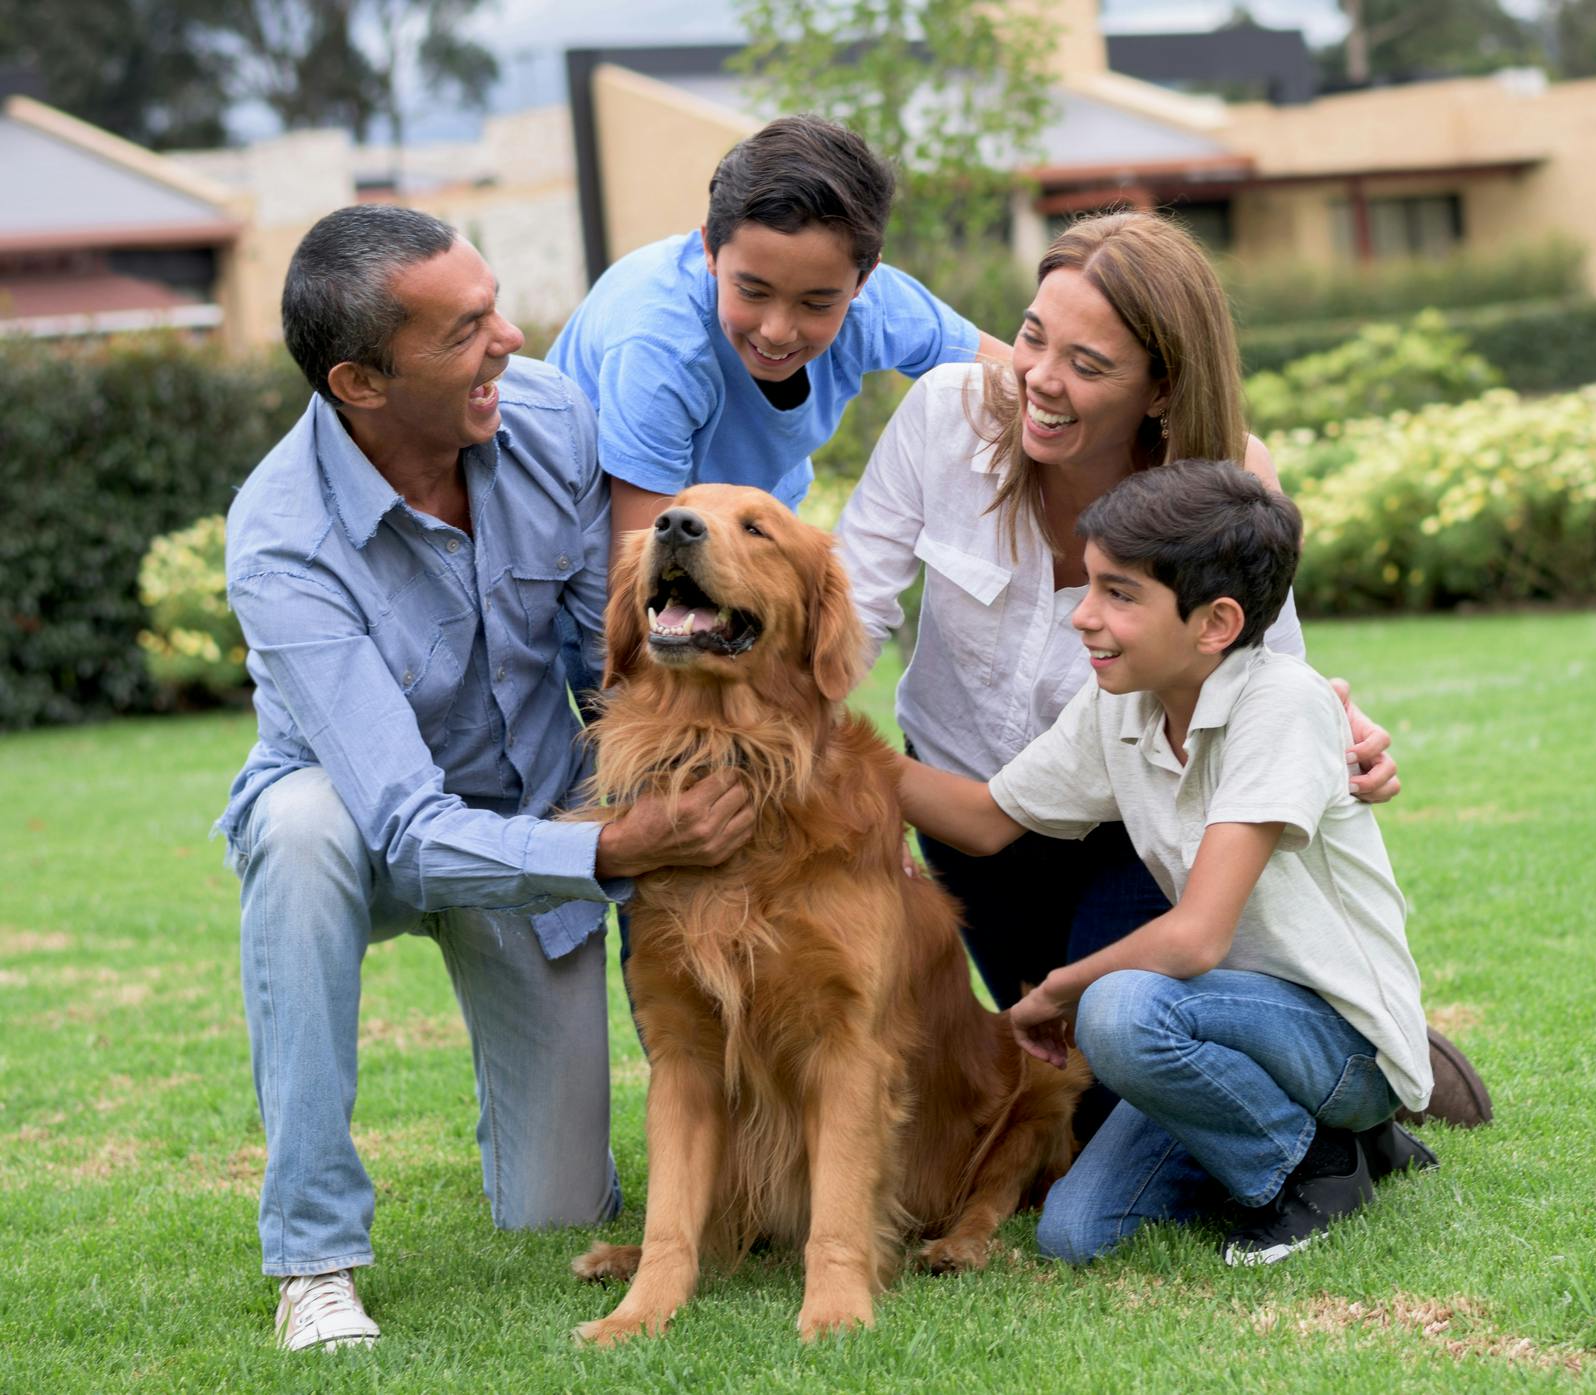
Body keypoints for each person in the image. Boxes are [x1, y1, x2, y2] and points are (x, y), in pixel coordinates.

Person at [832, 212, 1493, 1138]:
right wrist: (815, 752)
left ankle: (1352, 1052)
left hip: (1130, 824)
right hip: (967, 807)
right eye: (1031, 335)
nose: (1040, 380)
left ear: (1160, 387)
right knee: (1052, 1088)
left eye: (1088, 364)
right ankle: (1303, 1044)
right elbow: (846, 608)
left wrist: (1338, 735)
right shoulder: (947, 418)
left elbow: (1261, 668)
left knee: (1108, 1077)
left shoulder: (1222, 476)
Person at [218, 205, 752, 1352]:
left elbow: (608, 661)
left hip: (535, 827)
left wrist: (721, 774)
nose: (510, 337)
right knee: (303, 830)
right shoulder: (283, 540)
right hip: (370, 832)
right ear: (361, 381)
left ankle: (523, 1136)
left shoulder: (548, 416)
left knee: (557, 1207)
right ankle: (314, 1261)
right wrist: (619, 848)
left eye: (495, 303)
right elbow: (405, 826)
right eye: (466, 330)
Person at [896, 461, 1437, 1266]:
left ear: (1214, 623)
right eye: (1087, 586)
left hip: (1340, 1039)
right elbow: (983, 821)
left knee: (1118, 1009)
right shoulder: (1120, 702)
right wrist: (824, 750)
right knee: (1076, 1236)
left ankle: (1314, 1169)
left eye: (1118, 594)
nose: (1081, 617)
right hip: (1219, 1030)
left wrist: (1055, 990)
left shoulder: (1280, 703)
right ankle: (1354, 1145)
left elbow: (1193, 940)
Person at [546, 114, 1010, 545]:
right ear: (710, 248)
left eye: (816, 303)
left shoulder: (875, 306)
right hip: (594, 550)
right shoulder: (662, 349)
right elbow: (638, 575)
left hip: (741, 533)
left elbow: (1019, 380)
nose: (777, 331)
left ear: (862, 281)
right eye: (752, 292)